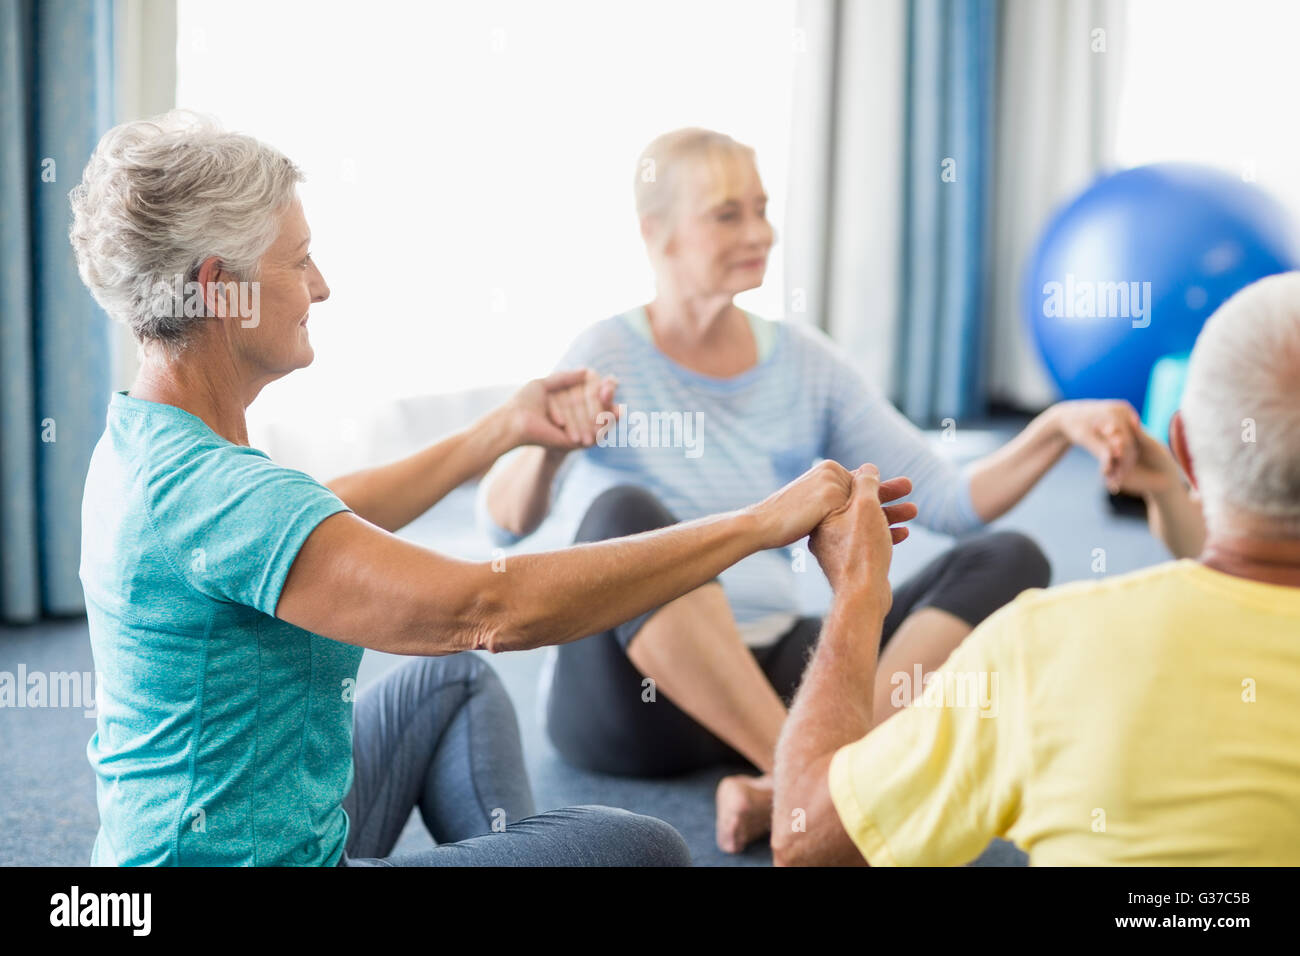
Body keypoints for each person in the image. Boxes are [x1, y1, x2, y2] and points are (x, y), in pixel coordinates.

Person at [70, 111, 862, 867]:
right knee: (644, 849)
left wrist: (502, 429)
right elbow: (490, 607)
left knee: (446, 687)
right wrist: (760, 525)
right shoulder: (212, 491)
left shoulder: (150, 437)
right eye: (299, 260)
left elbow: (316, 515)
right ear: (220, 288)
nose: (322, 286)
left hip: (264, 825)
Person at [479, 127, 1161, 852]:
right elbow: (502, 526)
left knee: (1010, 559)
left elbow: (948, 499)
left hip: (773, 662)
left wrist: (1053, 430)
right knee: (624, 514)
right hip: (630, 705)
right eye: (728, 214)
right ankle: (825, 783)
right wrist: (549, 454)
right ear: (659, 235)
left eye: (764, 209)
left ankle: (790, 783)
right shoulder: (606, 352)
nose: (761, 232)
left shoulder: (804, 362)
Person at [772, 271, 1300, 866]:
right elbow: (1255, 591)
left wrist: (856, 591)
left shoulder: (1041, 645)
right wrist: (1171, 492)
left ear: (1184, 446)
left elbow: (807, 840)